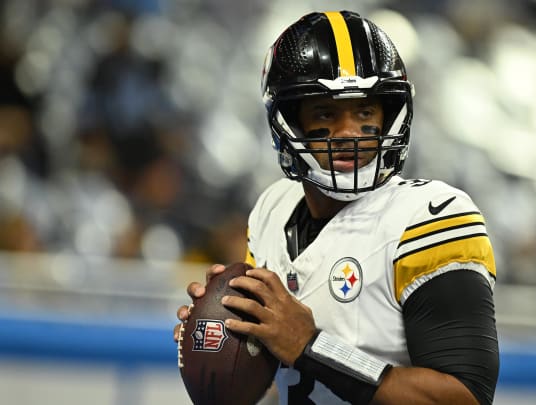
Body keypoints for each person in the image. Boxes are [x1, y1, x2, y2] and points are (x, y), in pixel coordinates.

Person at [174, 10, 499, 405]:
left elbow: (467, 399)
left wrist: (314, 347)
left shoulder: (430, 217)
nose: (348, 133)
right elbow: (288, 386)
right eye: (326, 113)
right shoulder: (272, 211)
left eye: (365, 112)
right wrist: (224, 350)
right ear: (289, 122)